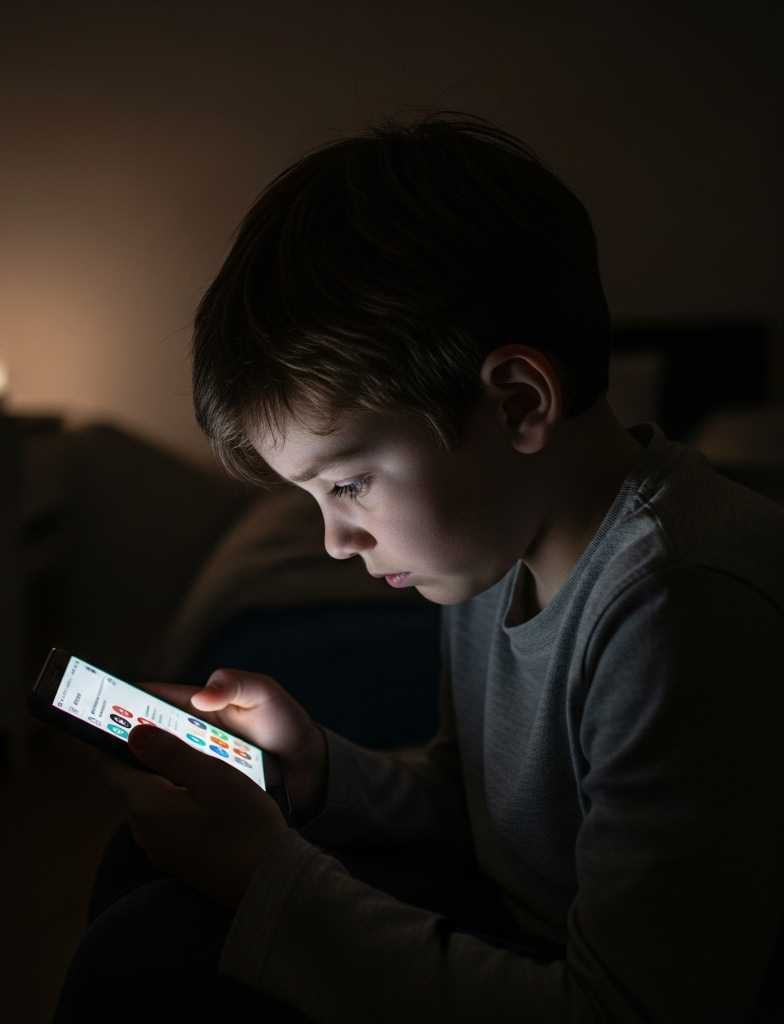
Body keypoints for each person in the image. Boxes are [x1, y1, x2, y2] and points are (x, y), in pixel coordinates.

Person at [53, 115, 783, 1023]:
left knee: (153, 954)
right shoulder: (494, 542)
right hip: (535, 928)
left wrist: (268, 880)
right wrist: (316, 768)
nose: (332, 541)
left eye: (350, 482)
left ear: (517, 404)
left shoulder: (677, 605)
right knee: (146, 867)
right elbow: (485, 813)